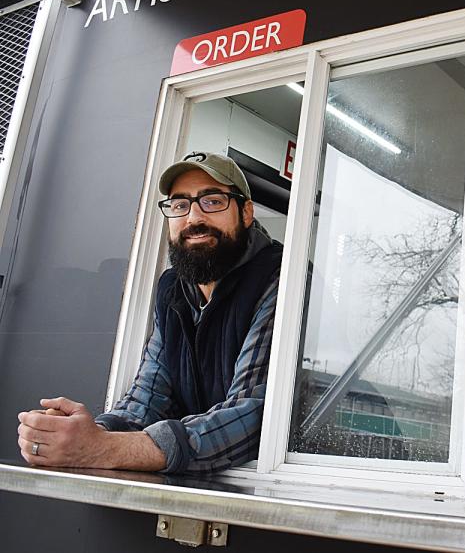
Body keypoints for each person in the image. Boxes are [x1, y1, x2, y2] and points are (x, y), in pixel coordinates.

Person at [17, 152, 283, 474]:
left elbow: (254, 415)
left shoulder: (278, 277)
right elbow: (148, 397)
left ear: (246, 212)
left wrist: (102, 449)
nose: (193, 218)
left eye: (212, 201)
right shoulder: (173, 290)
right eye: (179, 205)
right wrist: (84, 434)